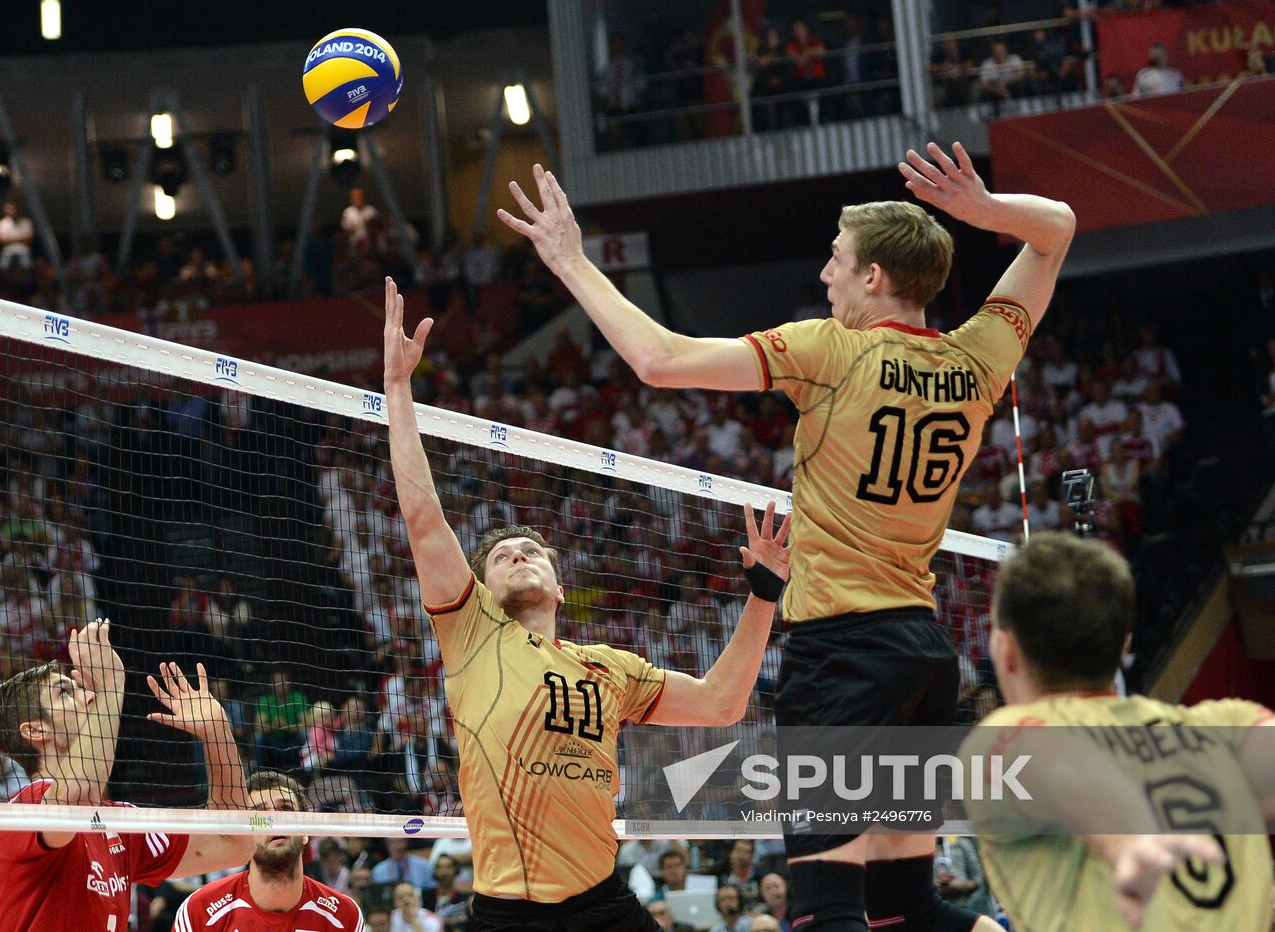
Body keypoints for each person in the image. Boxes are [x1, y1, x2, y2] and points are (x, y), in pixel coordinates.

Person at [499, 144, 1075, 932]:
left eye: (837, 261)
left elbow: (659, 359)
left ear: (874, 277)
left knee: (824, 909)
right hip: (921, 653)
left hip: (842, 654)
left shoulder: (831, 350)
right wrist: (985, 211)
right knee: (907, 908)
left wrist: (570, 261)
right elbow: (1057, 229)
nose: (825, 275)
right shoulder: (979, 356)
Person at [382, 276, 790, 930]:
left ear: (562, 585)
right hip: (508, 912)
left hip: (603, 905)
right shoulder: (474, 635)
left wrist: (765, 594)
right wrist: (399, 392)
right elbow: (426, 520)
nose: (519, 554)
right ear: (479, 592)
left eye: (532, 551)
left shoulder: (610, 668)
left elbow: (722, 702)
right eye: (502, 555)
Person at [961, 532, 1273, 929]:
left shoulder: (996, 738)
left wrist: (1124, 840)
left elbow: (1050, 764)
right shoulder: (1227, 723)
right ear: (1124, 645)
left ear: (1005, 652)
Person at [0, 620, 255, 930]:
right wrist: (112, 682)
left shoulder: (118, 825)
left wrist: (217, 735)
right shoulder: (23, 811)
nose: (89, 697)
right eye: (65, 694)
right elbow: (78, 792)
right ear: (35, 730)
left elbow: (234, 843)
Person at [172, 770, 363, 931]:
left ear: (305, 832)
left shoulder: (345, 916)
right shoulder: (199, 910)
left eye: (286, 810)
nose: (275, 821)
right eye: (261, 814)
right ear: (243, 835)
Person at [0, 201, 34, 270]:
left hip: (23, 248)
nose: (12, 211)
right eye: (9, 209)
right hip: (8, 249)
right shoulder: (1, 223)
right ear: (5, 211)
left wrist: (10, 239)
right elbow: (1, 241)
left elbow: (29, 239)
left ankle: (27, 279)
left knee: (27, 264)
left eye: (13, 209)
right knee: (3, 265)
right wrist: (20, 238)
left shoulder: (26, 222)